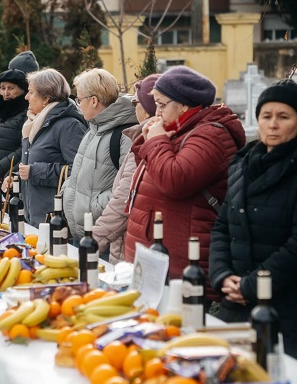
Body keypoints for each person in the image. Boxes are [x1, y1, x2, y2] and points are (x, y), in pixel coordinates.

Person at [209, 79, 297, 370]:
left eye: (283, 117)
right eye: (266, 116)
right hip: (238, 305)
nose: (273, 125)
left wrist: (252, 285)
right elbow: (223, 226)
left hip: (295, 315)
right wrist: (222, 275)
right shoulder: (242, 165)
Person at [123, 66, 246, 306]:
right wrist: (149, 139)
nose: (156, 112)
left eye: (161, 104)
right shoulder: (180, 130)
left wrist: (157, 140)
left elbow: (174, 180)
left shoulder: (210, 136)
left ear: (184, 105)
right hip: (160, 256)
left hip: (185, 264)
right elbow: (151, 173)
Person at [63, 68, 137, 242]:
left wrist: (94, 206)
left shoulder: (125, 135)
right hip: (81, 232)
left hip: (104, 238)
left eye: (79, 99)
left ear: (94, 101)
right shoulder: (93, 130)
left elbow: (128, 188)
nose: (78, 104)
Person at [93, 73, 159, 263]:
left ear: (147, 108)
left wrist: (93, 242)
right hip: (127, 242)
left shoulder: (144, 142)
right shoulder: (141, 138)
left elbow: (124, 199)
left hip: (130, 249)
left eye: (135, 102)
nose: (133, 107)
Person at [19, 69, 87, 227]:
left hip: (54, 218)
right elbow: (36, 160)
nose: (26, 97)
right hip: (35, 214)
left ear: (46, 98)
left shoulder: (69, 125)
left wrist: (34, 172)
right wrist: (17, 176)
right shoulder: (34, 123)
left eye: (30, 92)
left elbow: (78, 171)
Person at [0, 51, 39, 189]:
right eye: (3, 88)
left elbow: (24, 149)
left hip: (9, 184)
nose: (6, 93)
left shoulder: (29, 113)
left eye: (11, 88)